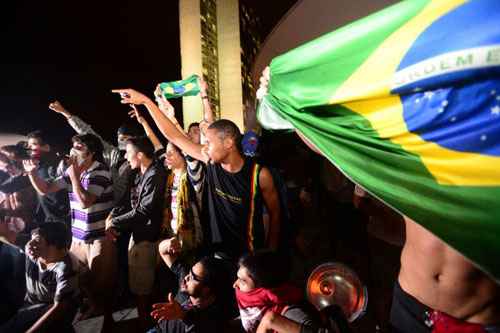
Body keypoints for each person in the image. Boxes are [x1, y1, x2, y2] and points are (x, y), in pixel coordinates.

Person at [257, 67, 500, 332]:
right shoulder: (417, 153)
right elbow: (332, 144)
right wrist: (283, 100)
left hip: (478, 319)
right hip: (411, 304)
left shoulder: (491, 163)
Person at [111, 88, 281, 265]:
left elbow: (275, 213)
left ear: (229, 143)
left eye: (209, 142)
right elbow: (175, 137)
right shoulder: (210, 161)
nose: (204, 147)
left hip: (250, 257)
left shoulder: (259, 175)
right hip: (217, 255)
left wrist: (270, 254)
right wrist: (147, 102)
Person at [23, 133, 116, 331]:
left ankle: (108, 325)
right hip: (78, 239)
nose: (73, 151)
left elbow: (85, 201)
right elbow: (46, 189)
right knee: (84, 287)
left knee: (101, 289)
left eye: (79, 147)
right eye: (73, 146)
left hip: (98, 239)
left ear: (91, 153)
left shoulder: (99, 172)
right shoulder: (72, 171)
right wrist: (32, 174)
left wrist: (74, 178)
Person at [105, 136, 167, 331]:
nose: (125, 156)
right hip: (138, 235)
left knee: (143, 291)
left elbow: (143, 211)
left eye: (128, 152)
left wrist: (114, 222)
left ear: (140, 155)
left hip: (148, 239)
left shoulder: (155, 174)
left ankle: (146, 327)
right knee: (140, 288)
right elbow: (125, 202)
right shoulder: (139, 174)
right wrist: (112, 216)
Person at [0, 222, 84, 333]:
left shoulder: (66, 268)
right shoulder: (32, 250)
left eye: (37, 241)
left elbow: (58, 308)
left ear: (54, 246)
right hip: (32, 305)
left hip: (55, 309)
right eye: (31, 239)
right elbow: (6, 235)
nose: (30, 244)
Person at [234, 250, 327, 333]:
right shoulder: (259, 309)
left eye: (242, 281)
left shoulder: (290, 313)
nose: (234, 285)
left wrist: (269, 321)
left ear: (263, 289)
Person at [153, 237, 233, 333]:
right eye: (190, 272)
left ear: (206, 289)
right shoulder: (186, 282)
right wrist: (169, 244)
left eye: (193, 277)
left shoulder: (216, 317)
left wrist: (182, 315)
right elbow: (164, 252)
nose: (186, 277)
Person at [0, 131, 70, 226]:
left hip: (65, 218)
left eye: (33, 144)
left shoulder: (60, 165)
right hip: (50, 219)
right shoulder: (37, 166)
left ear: (46, 147)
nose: (29, 148)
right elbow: (11, 185)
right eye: (28, 145)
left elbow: (45, 189)